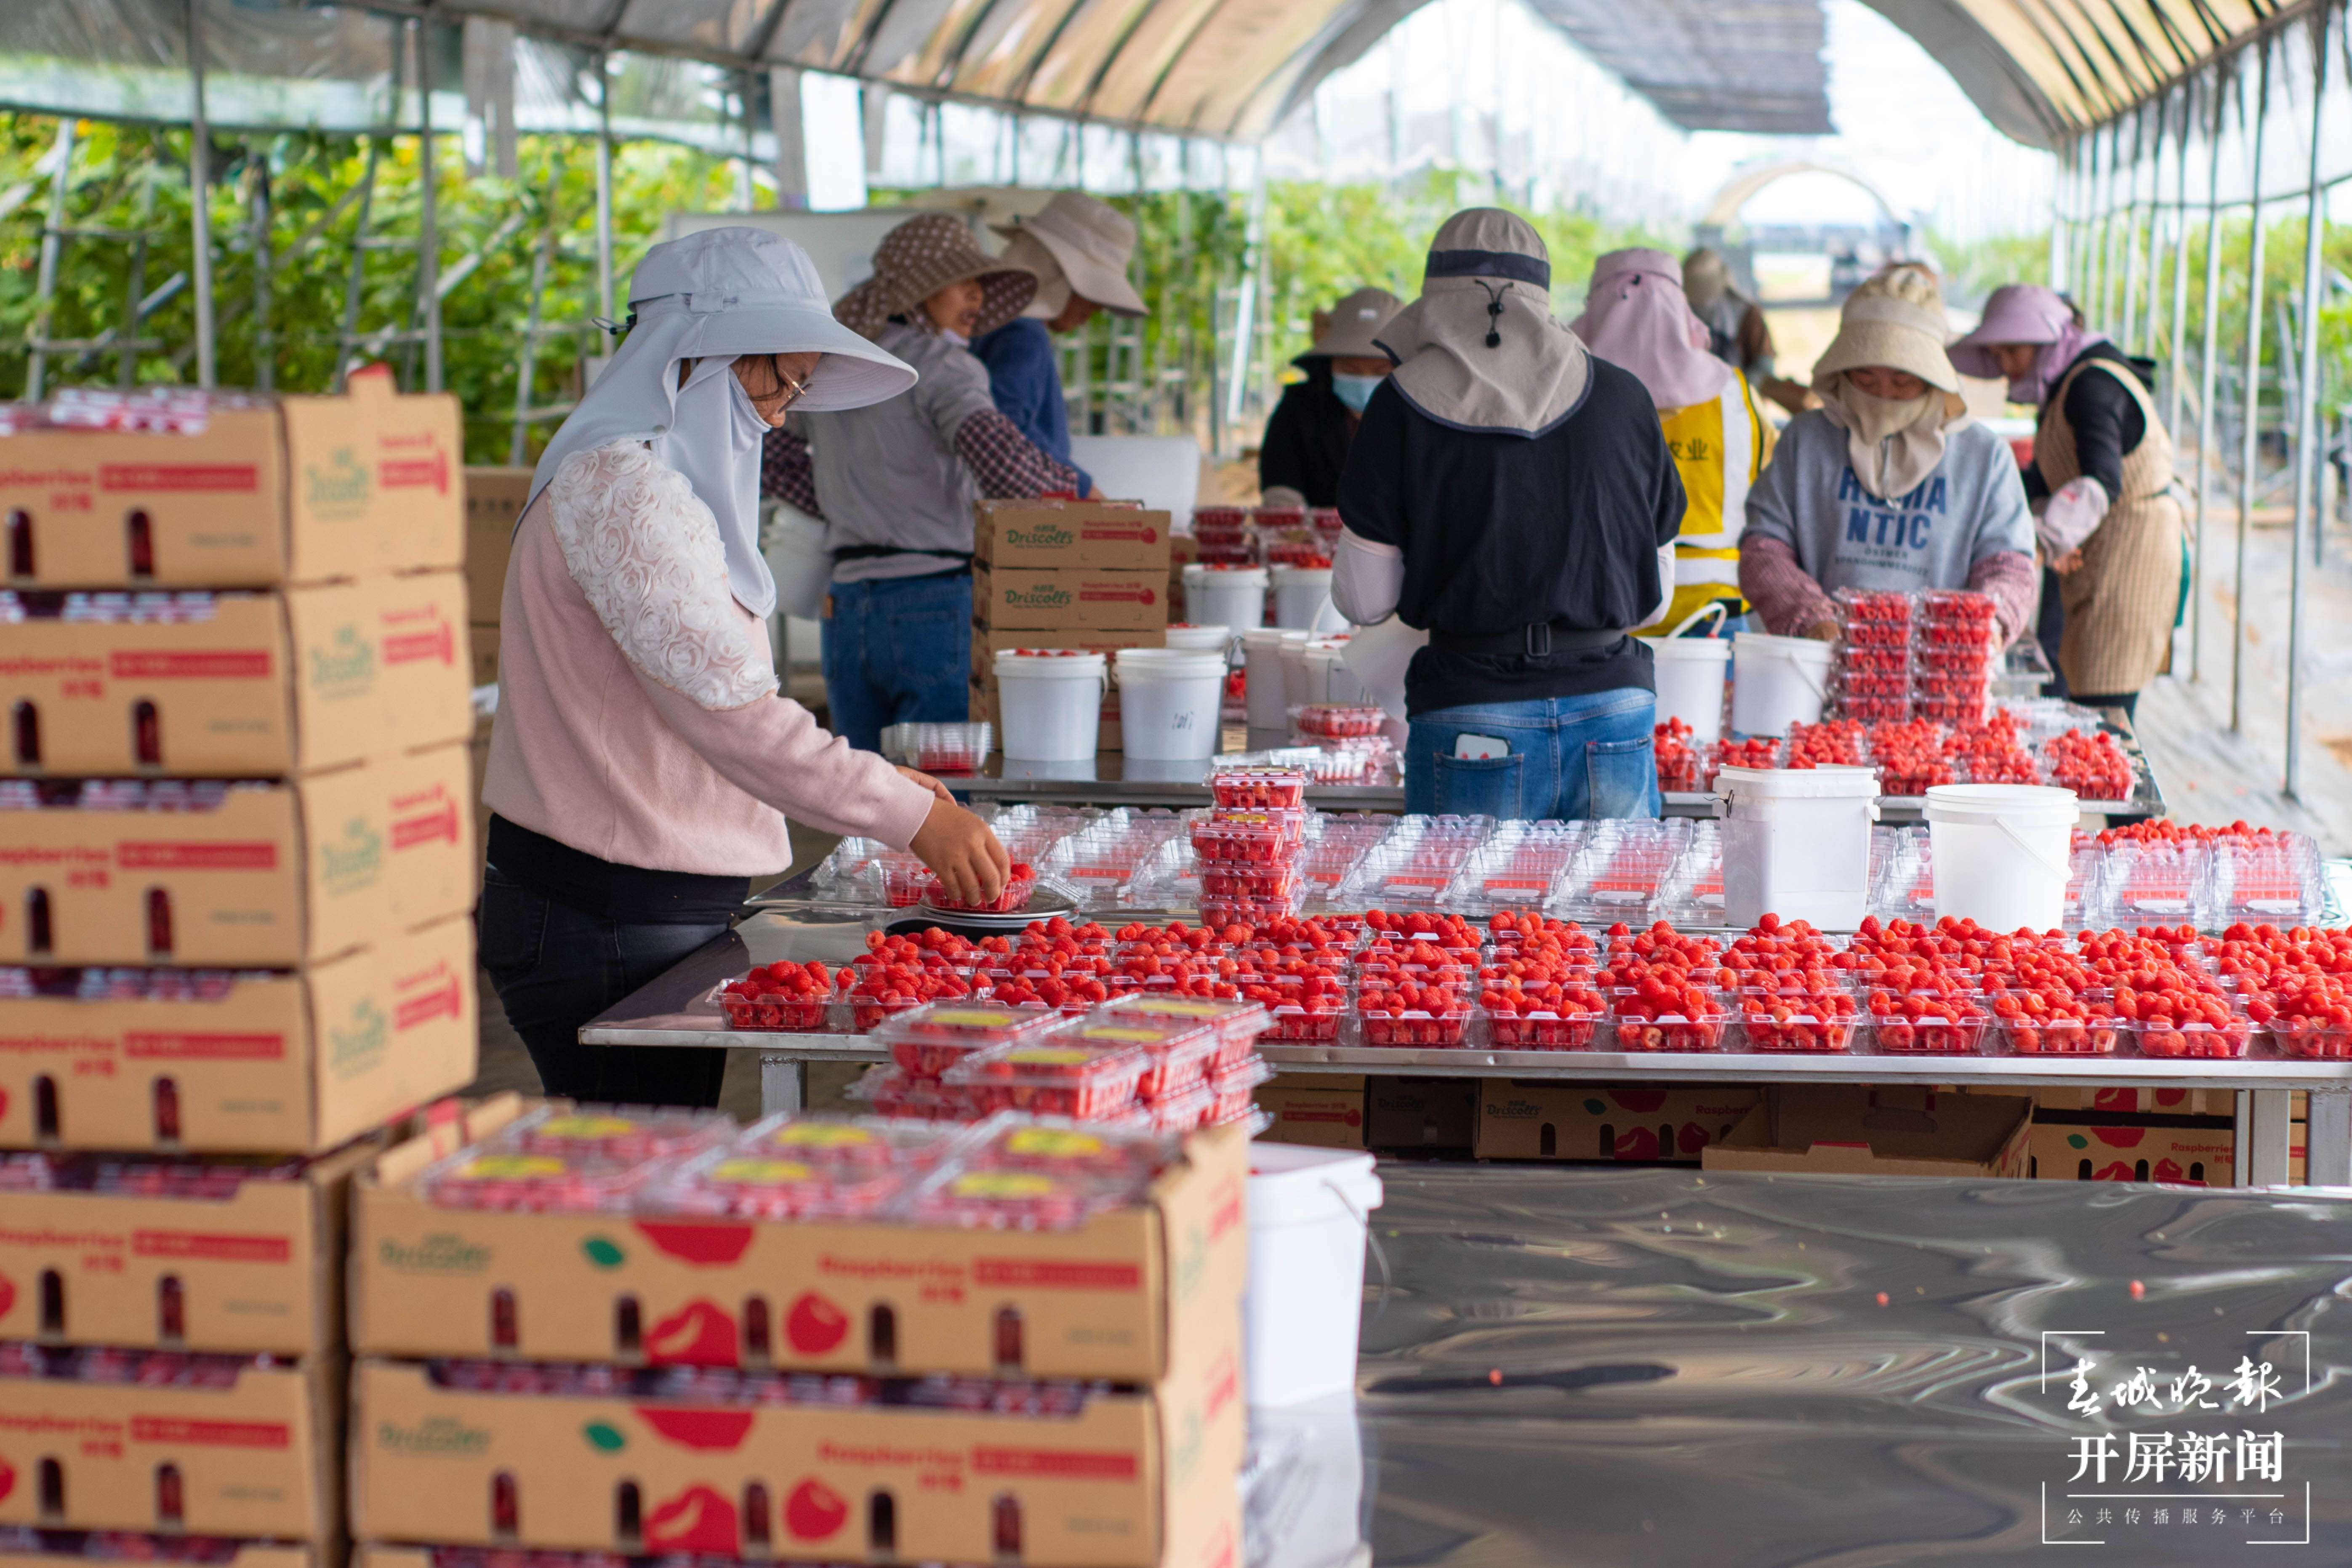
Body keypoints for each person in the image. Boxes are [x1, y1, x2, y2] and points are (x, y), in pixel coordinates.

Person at [482, 227, 1010, 1107]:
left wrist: (878, 781)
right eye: (778, 378)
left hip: (636, 905)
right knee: (635, 1188)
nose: (781, 412)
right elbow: (731, 715)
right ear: (702, 355)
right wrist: (907, 813)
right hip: (603, 911)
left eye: (798, 386)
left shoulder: (644, 481)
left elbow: (716, 700)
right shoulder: (622, 488)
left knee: (644, 1167)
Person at [1332, 210, 1684, 821]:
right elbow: (1652, 603)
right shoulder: (1624, 397)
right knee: (1615, 914)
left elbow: (1365, 602)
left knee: (1472, 916)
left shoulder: (1399, 404)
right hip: (1612, 708)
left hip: (1472, 709)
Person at [762, 214, 1086, 753]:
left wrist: (843, 503)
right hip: (933, 604)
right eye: (965, 282)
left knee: (864, 800)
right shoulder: (944, 367)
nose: (978, 297)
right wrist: (1067, 495)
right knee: (941, 800)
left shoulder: (832, 365)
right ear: (923, 287)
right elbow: (999, 459)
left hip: (846, 605)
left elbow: (771, 449)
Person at [1739, 267, 2037, 644]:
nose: (1883, 394)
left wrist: (1986, 626)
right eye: (1865, 378)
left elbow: (2008, 564)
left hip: (1942, 674)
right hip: (1821, 667)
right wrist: (1811, 617)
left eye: (1902, 381)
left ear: (1932, 379)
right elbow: (1763, 548)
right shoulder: (1806, 441)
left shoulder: (1984, 456)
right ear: (1841, 371)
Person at [1950, 283, 2181, 719]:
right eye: (1995, 355)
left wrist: (2043, 542)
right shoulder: (2065, 384)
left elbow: (2098, 482)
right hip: (2101, 549)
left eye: (2010, 352)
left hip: (2132, 553)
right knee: (2083, 676)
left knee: (2105, 693)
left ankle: (2110, 782)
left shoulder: (2091, 385)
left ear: (2041, 341)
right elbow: (2044, 479)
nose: (2002, 366)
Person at [1572, 248, 1774, 636]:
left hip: (1604, 608)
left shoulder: (1570, 388)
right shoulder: (1735, 392)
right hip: (1714, 607)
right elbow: (1765, 477)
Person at [972, 191, 1149, 494]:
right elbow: (1008, 430)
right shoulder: (1024, 335)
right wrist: (1085, 490)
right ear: (1058, 277)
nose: (1097, 309)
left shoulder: (985, 327)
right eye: (1092, 294)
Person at [1258, 287, 1404, 508]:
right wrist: (1292, 523)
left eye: (1380, 372)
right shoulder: (1298, 409)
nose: (1364, 379)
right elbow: (1281, 484)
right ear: (1330, 366)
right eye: (1350, 369)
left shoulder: (1423, 415)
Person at [1683, 248, 1808, 414]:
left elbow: (1765, 364)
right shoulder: (1677, 313)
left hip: (1738, 406)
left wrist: (1736, 387)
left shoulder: (1746, 313)